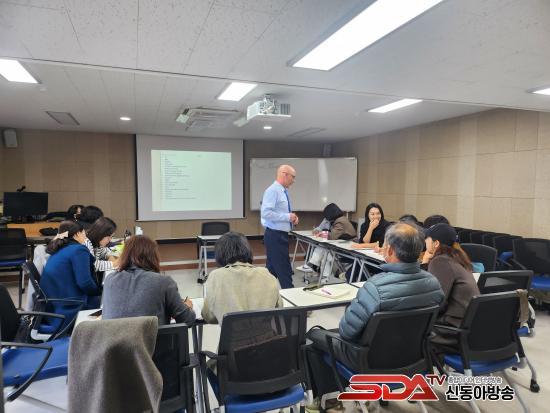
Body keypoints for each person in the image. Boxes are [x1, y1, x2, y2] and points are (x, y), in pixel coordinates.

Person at [305, 223, 444, 407]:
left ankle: (325, 401)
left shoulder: (375, 287)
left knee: (313, 336)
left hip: (371, 364)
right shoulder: (434, 284)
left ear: (390, 250)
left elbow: (346, 332)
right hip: (414, 361)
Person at [102, 235, 195, 325]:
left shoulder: (109, 280)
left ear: (125, 255)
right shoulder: (163, 282)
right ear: (153, 256)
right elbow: (187, 320)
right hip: (153, 336)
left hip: (113, 336)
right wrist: (188, 307)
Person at [202, 232, 282, 324]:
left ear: (219, 254)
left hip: (232, 333)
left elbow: (209, 317)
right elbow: (279, 307)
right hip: (266, 333)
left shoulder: (216, 276)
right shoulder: (266, 274)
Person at [422, 223, 479, 333]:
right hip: (465, 326)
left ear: (436, 243)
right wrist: (425, 263)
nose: (425, 241)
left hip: (451, 328)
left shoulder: (440, 261)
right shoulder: (457, 258)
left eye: (427, 238)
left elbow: (437, 302)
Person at [40, 220, 101, 312]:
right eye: (84, 233)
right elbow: (85, 283)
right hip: (70, 305)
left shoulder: (59, 248)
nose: (86, 237)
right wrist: (100, 291)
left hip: (54, 304)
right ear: (77, 234)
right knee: (106, 300)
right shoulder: (79, 250)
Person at [261, 164, 298, 289]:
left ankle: (263, 295)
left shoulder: (283, 191)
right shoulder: (273, 191)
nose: (294, 181)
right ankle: (292, 299)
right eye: (293, 177)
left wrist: (292, 219)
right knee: (284, 270)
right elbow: (266, 213)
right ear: (285, 174)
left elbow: (280, 213)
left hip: (280, 235)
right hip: (275, 236)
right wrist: (287, 217)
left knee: (271, 271)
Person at [307, 203, 357, 280]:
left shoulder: (340, 221)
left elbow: (332, 236)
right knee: (325, 253)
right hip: (343, 245)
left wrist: (322, 233)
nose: (326, 217)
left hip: (349, 250)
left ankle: (313, 264)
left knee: (324, 248)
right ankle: (325, 278)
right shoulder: (339, 219)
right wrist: (321, 232)